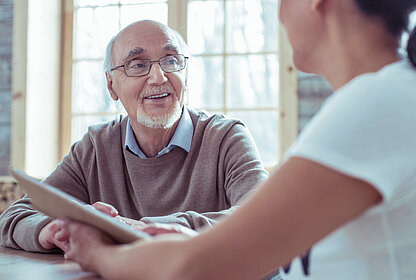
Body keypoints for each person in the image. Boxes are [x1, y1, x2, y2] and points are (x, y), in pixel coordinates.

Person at [57, 0, 416, 279]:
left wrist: (94, 251)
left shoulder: (379, 104)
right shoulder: (383, 98)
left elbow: (194, 267)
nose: (279, 14)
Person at [0, 20, 268, 253]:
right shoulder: (96, 146)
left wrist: (151, 228)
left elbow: (264, 219)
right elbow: (14, 216)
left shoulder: (226, 137)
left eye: (171, 61)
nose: (158, 77)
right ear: (111, 86)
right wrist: (51, 230)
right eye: (137, 65)